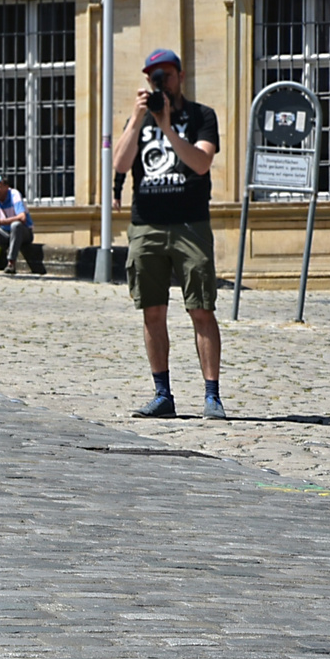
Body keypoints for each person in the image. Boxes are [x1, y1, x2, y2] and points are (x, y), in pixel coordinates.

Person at [113, 47, 224, 420]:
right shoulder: (140, 120)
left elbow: (201, 163)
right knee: (152, 310)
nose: (161, 82)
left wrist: (166, 128)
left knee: (201, 309)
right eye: (153, 77)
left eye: (167, 75)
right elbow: (120, 163)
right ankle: (163, 394)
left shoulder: (201, 116)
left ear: (180, 76)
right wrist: (135, 119)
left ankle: (212, 396)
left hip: (190, 224)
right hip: (146, 225)